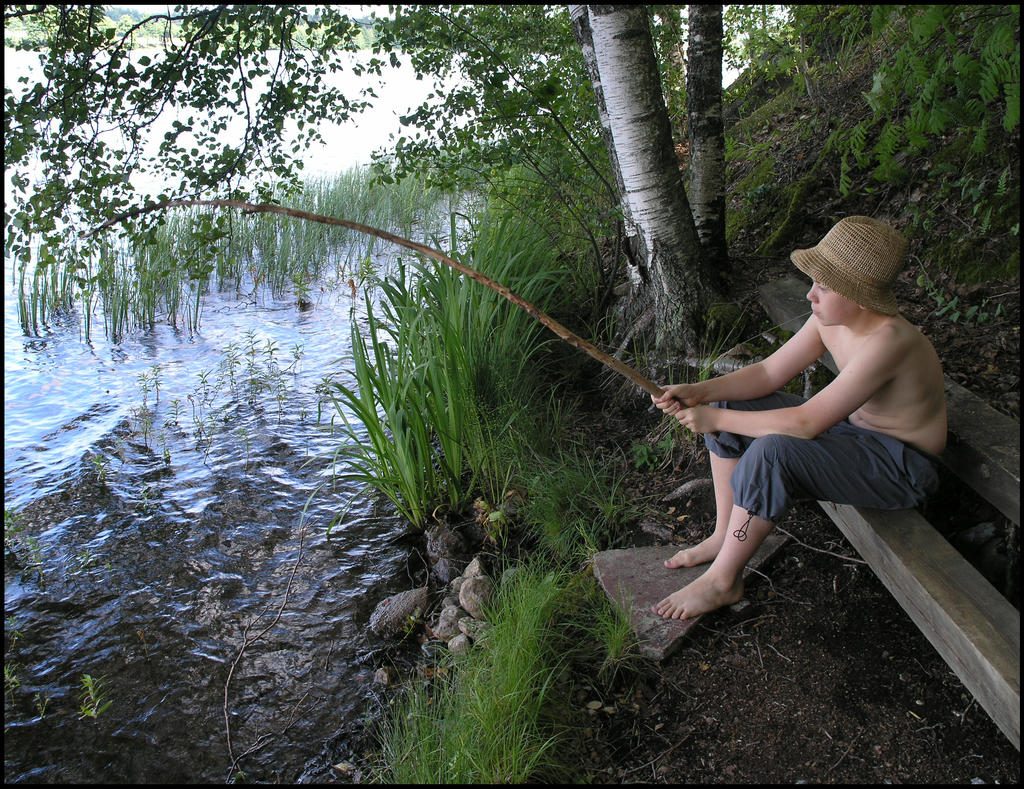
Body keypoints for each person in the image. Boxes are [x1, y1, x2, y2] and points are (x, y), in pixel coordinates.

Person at [651, 215, 946, 620]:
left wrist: (714, 423)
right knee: (726, 406)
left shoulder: (889, 342)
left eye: (823, 286)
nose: (811, 295)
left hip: (901, 466)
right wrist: (704, 393)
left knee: (772, 452)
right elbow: (768, 373)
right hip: (853, 437)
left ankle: (725, 580)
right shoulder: (831, 318)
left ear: (860, 297)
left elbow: (805, 424)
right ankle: (724, 535)